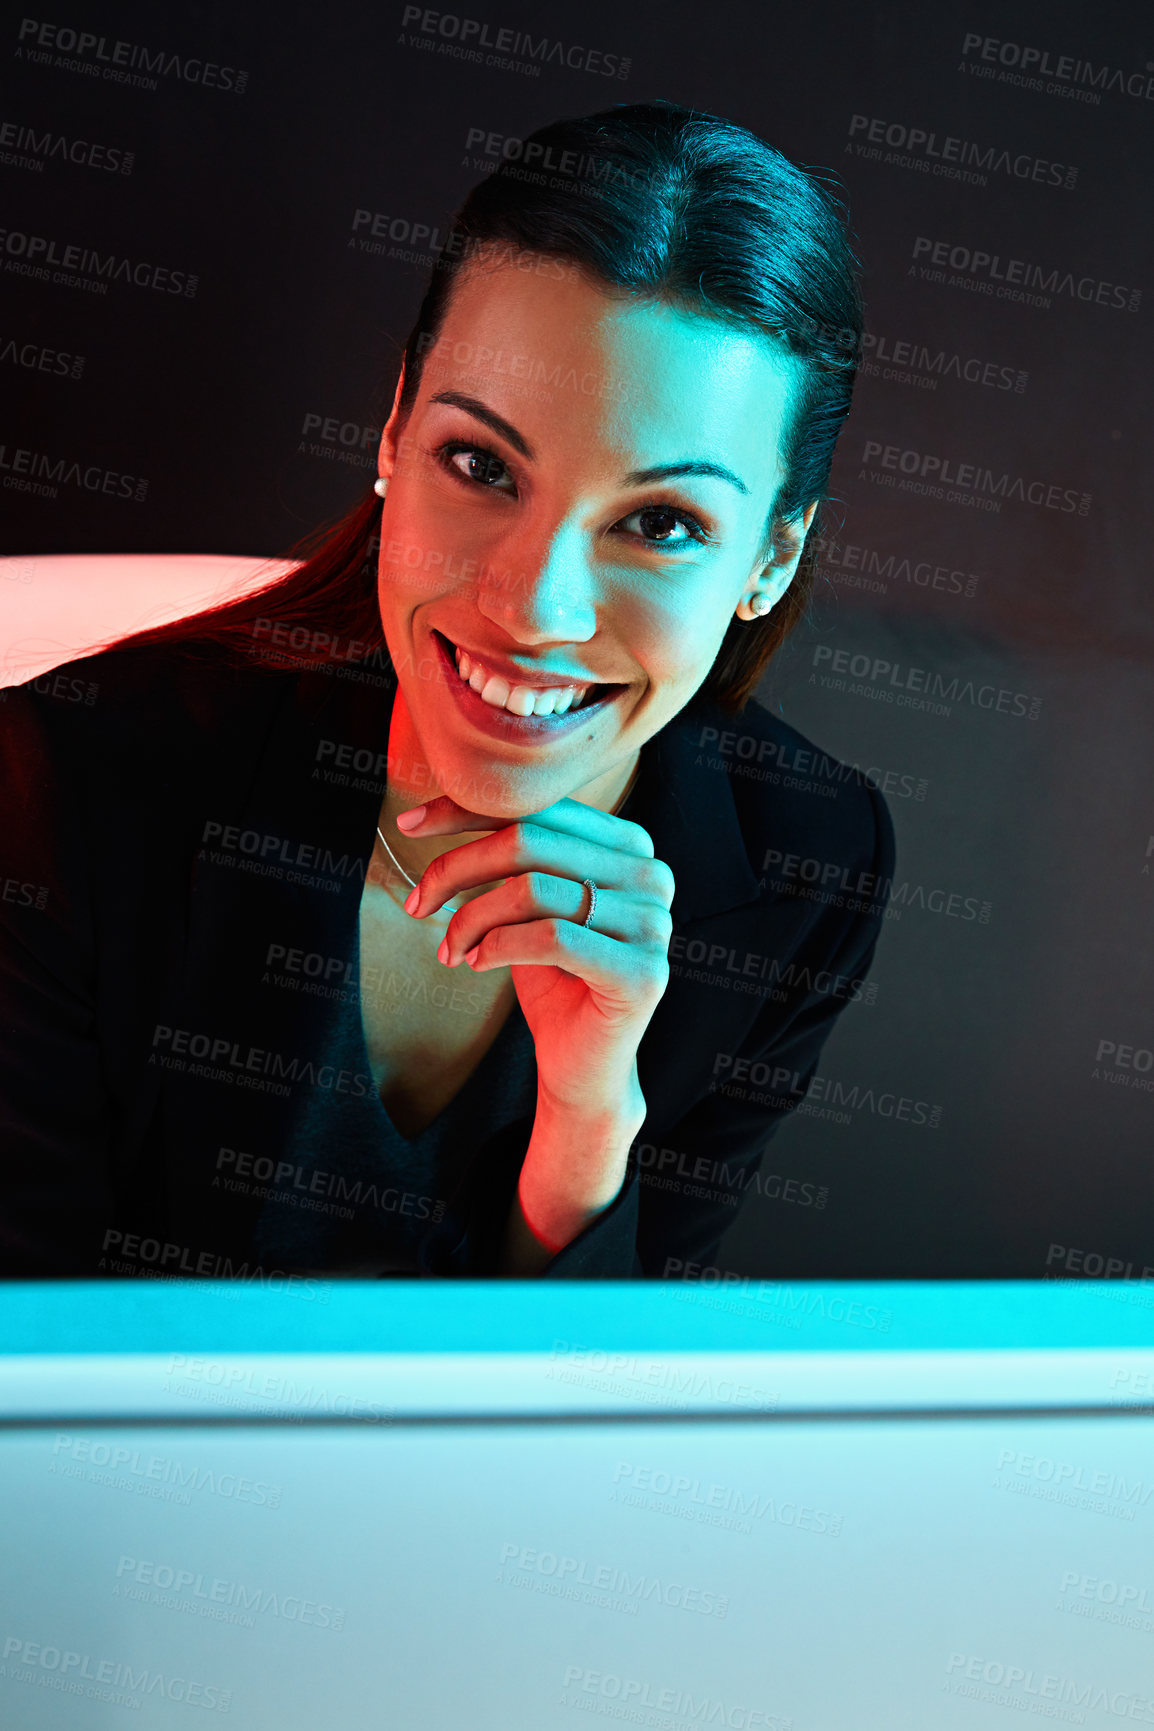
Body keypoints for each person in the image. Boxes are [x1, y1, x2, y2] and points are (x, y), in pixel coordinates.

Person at [0, 101, 893, 1281]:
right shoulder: (64, 782)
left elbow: (614, 1419)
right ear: (392, 429)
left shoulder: (805, 862)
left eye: (662, 523)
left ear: (768, 559)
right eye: (480, 465)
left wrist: (585, 1116)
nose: (534, 611)